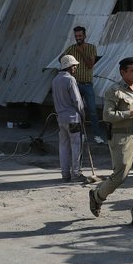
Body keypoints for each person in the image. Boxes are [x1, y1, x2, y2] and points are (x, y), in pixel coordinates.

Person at [88, 57, 133, 228]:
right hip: (121, 138)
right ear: (123, 72)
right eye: (132, 70)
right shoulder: (114, 91)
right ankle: (97, 196)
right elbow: (107, 116)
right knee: (120, 176)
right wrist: (132, 113)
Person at [52, 54, 98, 184]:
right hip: (73, 118)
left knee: (63, 146)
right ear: (69, 67)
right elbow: (77, 101)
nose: (75, 68)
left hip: (61, 118)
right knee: (76, 146)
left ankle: (65, 174)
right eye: (74, 66)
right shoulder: (70, 80)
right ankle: (76, 173)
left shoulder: (55, 80)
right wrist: (83, 115)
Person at [62, 26, 104, 144]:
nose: (78, 38)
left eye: (80, 36)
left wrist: (81, 52)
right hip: (75, 85)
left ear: (85, 36)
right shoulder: (71, 49)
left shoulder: (91, 48)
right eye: (76, 36)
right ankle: (80, 135)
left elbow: (90, 64)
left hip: (87, 85)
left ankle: (97, 135)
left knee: (92, 111)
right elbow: (62, 59)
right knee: (77, 111)